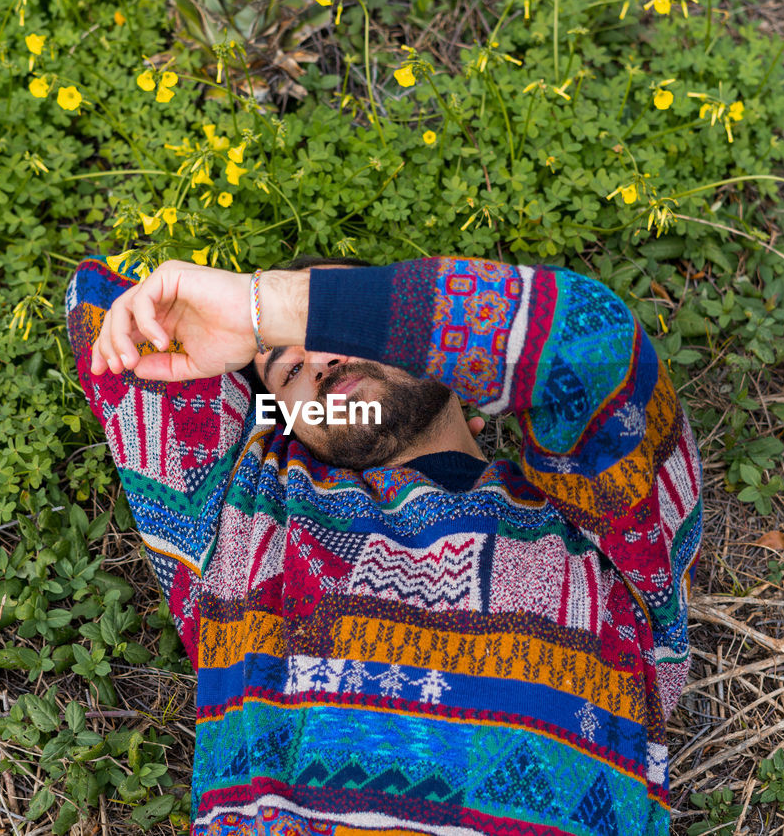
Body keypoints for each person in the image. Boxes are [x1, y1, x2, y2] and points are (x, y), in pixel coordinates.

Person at [65, 253, 703, 836]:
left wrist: (265, 304)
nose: (318, 361)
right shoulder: (247, 518)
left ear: (461, 366)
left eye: (343, 330)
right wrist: (240, 326)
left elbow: (593, 345)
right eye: (287, 369)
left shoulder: (599, 528)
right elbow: (106, 323)